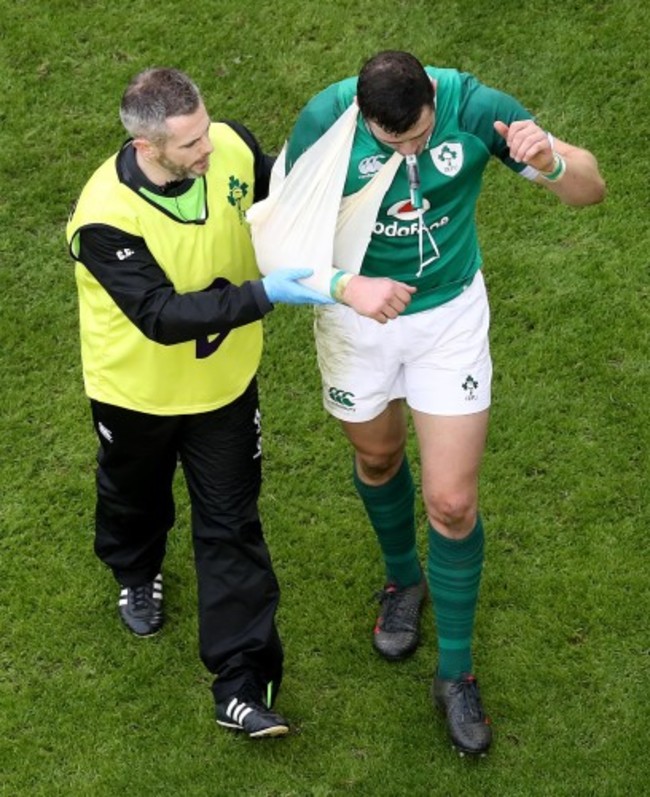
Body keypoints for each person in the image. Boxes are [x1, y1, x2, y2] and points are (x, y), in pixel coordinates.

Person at [282, 50, 605, 755]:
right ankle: (403, 578)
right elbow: (277, 244)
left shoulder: (476, 107)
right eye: (395, 144)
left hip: (448, 318)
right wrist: (346, 285)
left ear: (431, 95)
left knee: (452, 501)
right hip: (357, 318)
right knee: (378, 455)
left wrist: (549, 161)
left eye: (422, 137)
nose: (414, 151)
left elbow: (590, 190)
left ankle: (454, 672)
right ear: (365, 117)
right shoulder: (326, 121)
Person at [66, 67, 332, 739]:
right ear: (147, 146)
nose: (208, 152)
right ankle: (136, 568)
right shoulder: (104, 218)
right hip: (136, 395)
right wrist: (267, 293)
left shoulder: (229, 146)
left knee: (231, 524)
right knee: (134, 498)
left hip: (224, 392)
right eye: (189, 147)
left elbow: (284, 191)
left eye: (205, 131)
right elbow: (159, 314)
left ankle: (241, 684)